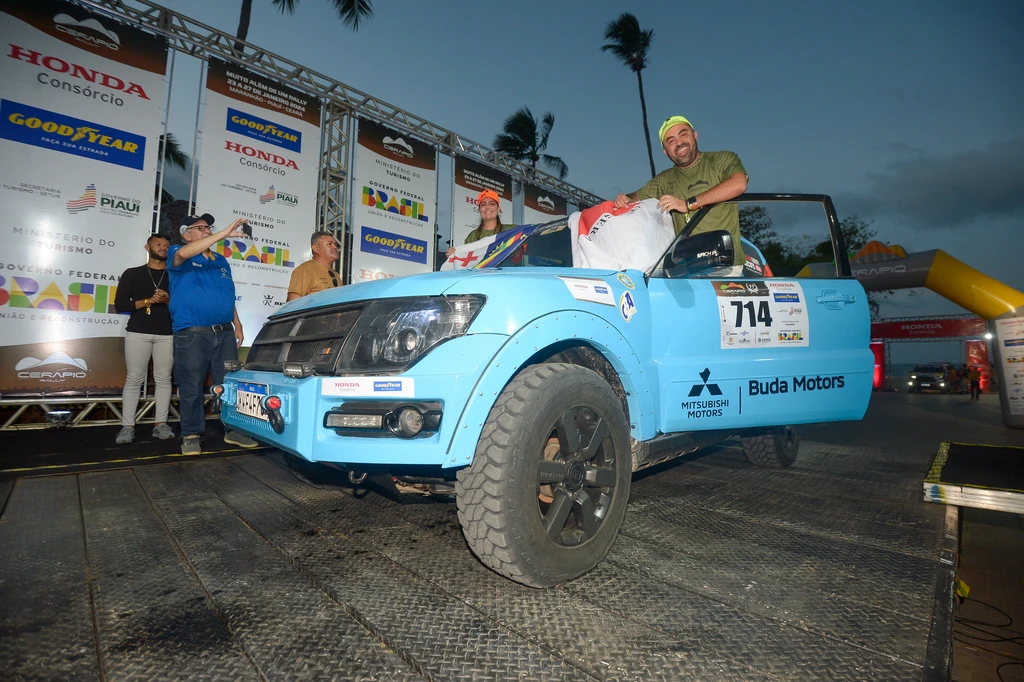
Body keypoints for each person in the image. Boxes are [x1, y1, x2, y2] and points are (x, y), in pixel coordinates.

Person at [168, 213, 259, 455]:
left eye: (209, 227)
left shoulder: (220, 260)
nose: (208, 230)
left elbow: (226, 295)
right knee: (191, 386)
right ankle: (190, 434)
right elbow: (182, 255)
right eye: (201, 228)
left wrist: (237, 324)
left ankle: (233, 429)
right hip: (192, 333)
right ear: (187, 234)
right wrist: (223, 234)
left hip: (225, 333)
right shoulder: (179, 251)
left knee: (229, 384)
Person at [614, 115, 748, 273]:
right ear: (665, 151)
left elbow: (739, 183)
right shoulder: (663, 180)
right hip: (685, 268)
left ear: (695, 135)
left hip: (724, 264)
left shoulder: (721, 160)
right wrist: (626, 198)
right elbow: (636, 197)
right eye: (671, 141)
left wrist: (687, 204)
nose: (679, 143)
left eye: (683, 134)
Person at [113, 234, 175, 444]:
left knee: (164, 378)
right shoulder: (133, 274)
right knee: (134, 379)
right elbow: (121, 305)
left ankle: (161, 424)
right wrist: (148, 300)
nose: (163, 248)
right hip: (138, 331)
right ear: (147, 247)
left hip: (167, 333)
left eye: (166, 246)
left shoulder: (174, 275)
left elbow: (183, 308)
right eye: (159, 244)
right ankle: (127, 426)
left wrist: (168, 301)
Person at [446, 189, 511, 257]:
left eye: (492, 204)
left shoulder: (510, 230)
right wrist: (454, 255)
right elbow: (465, 259)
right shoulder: (472, 236)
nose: (487, 207)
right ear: (479, 209)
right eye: (483, 204)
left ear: (498, 208)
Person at [287, 231, 342, 301]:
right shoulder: (305, 270)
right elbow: (293, 304)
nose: (335, 247)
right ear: (316, 249)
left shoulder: (336, 274)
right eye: (329, 244)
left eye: (335, 244)